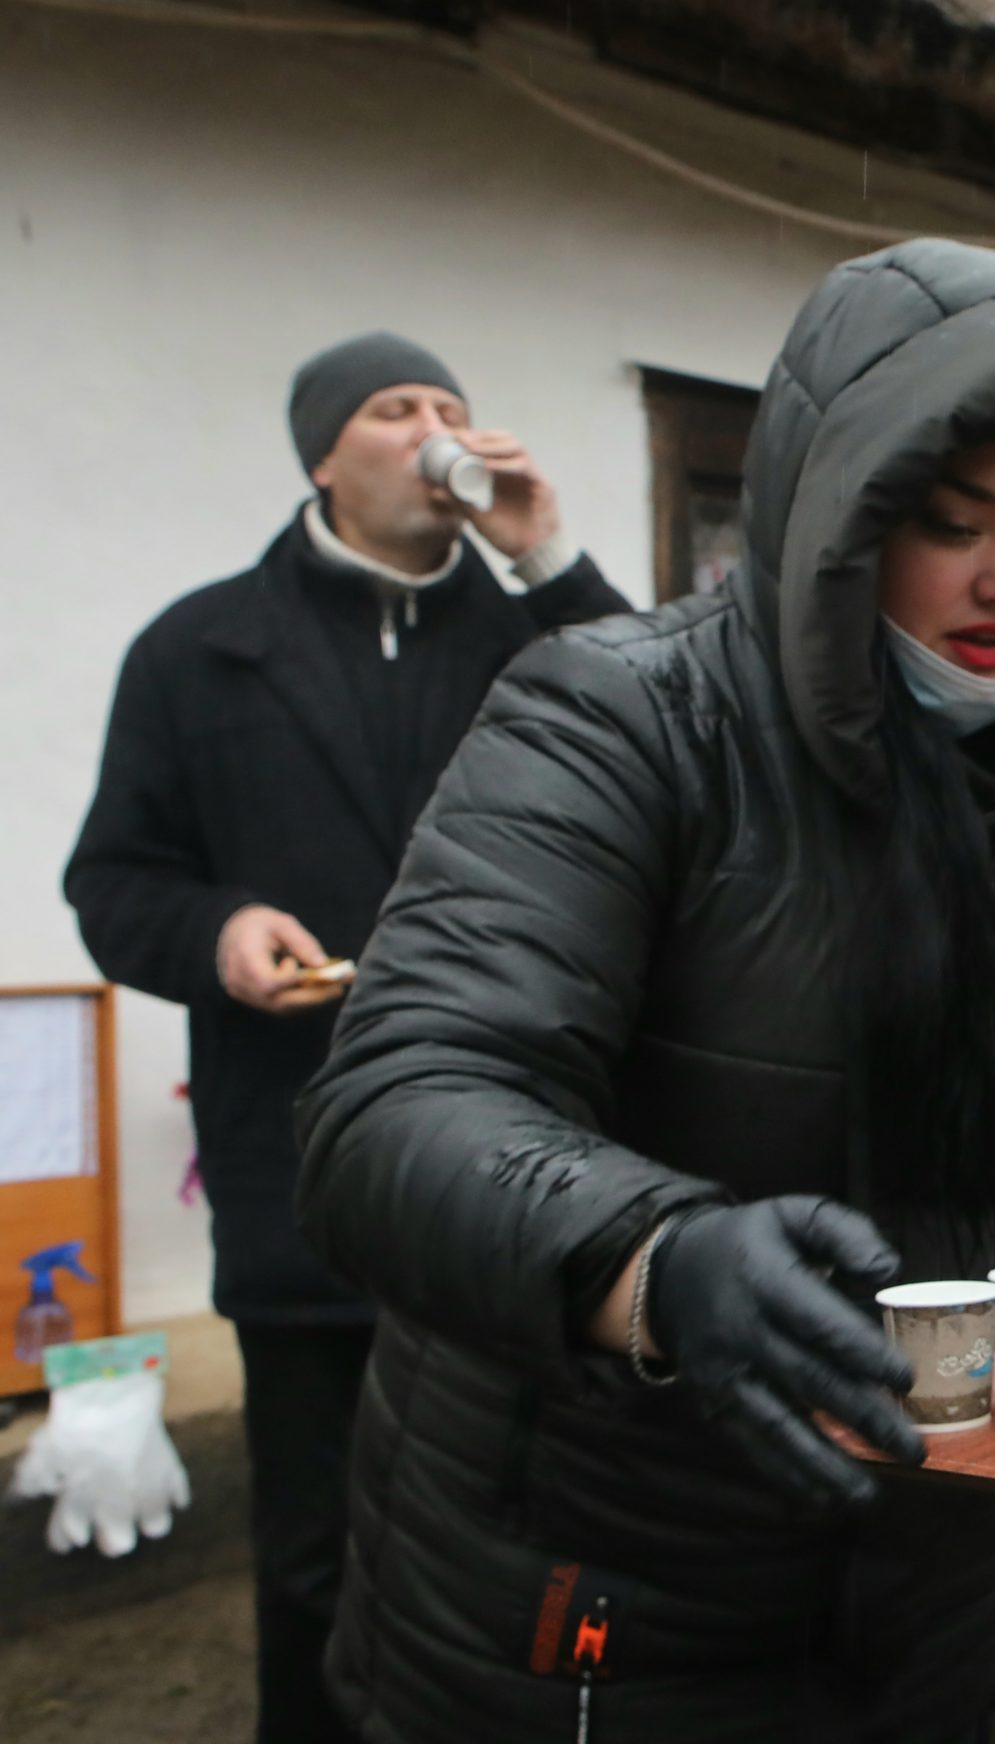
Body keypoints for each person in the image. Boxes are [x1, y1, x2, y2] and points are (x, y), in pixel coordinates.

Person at [291, 241, 995, 1744]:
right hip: (599, 1555)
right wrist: (653, 1265)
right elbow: (397, 1105)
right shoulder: (618, 718)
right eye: (954, 524)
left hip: (927, 1535)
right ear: (841, 510)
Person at [61, 332, 624, 1744]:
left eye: (453, 406)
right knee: (316, 1546)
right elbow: (113, 882)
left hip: (514, 1149)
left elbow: (660, 721)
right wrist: (219, 932)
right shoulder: (200, 651)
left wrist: (546, 554)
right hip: (296, 1151)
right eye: (395, 409)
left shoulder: (529, 641)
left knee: (515, 1532)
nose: (437, 428)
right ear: (323, 454)